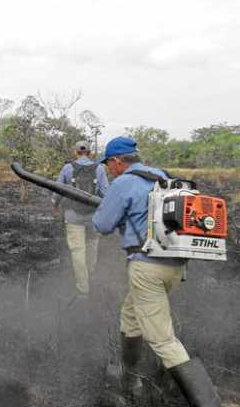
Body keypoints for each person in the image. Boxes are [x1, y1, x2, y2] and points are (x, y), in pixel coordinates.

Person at [93, 136, 220, 407]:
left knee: (162, 340)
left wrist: (113, 211)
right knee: (131, 317)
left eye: (109, 165)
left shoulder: (124, 182)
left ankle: (209, 403)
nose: (109, 169)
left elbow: (102, 224)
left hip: (146, 266)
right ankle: (131, 382)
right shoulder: (164, 177)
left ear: (117, 161)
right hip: (174, 266)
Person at [51, 140, 109, 298]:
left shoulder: (67, 168)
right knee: (92, 244)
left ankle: (83, 288)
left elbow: (58, 190)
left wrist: (55, 205)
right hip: (93, 216)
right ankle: (90, 273)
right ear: (90, 153)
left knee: (77, 251)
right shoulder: (100, 168)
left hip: (73, 216)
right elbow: (105, 192)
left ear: (75, 152)